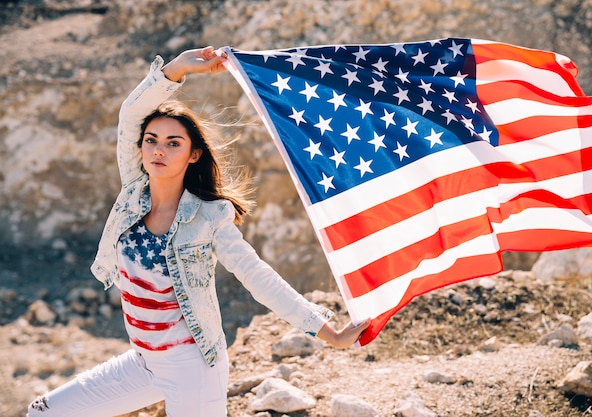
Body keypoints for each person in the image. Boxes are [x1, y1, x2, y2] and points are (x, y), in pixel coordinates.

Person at [26, 46, 370, 417]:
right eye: (152, 140)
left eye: (174, 143)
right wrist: (175, 69)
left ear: (193, 155)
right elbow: (131, 116)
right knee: (43, 411)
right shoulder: (133, 192)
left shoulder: (210, 217)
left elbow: (256, 276)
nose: (159, 150)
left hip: (194, 368)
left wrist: (327, 332)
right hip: (143, 362)